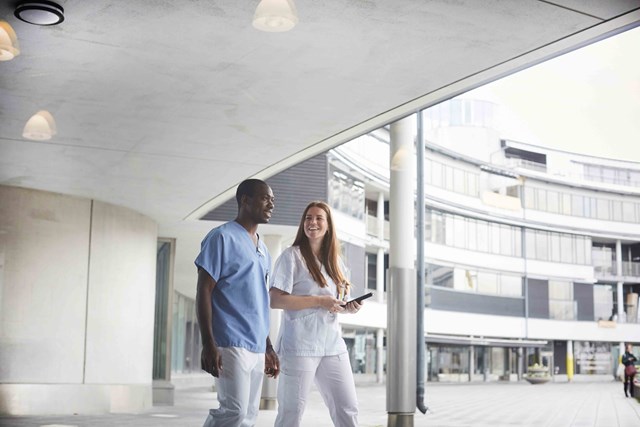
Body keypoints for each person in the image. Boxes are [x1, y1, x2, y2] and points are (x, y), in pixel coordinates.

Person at [195, 178, 280, 427]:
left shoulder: (263, 248)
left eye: (273, 200)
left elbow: (258, 300)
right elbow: (204, 290)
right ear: (245, 200)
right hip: (229, 341)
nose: (271, 204)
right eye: (266, 198)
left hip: (256, 345)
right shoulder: (221, 237)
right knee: (234, 412)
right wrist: (208, 342)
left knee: (249, 416)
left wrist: (268, 346)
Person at [269, 201, 362, 427]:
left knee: (347, 409)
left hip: (331, 344)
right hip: (300, 345)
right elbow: (275, 300)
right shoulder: (291, 256)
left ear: (328, 225)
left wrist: (347, 308)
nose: (312, 222)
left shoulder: (336, 262)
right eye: (308, 218)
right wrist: (320, 301)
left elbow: (334, 304)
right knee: (291, 412)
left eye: (319, 218)